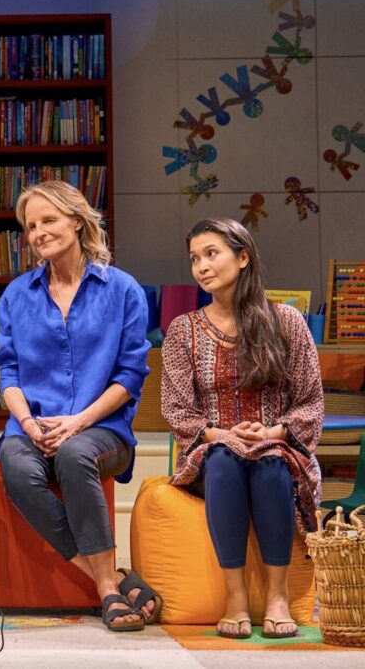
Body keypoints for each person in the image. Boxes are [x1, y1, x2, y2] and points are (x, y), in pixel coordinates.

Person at [0, 180, 158, 632]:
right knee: (17, 468)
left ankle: (106, 588)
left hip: (103, 428)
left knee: (74, 452)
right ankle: (113, 581)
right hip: (33, 425)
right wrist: (26, 422)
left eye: (49, 220)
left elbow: (130, 375)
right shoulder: (16, 295)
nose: (39, 232)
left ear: (77, 221)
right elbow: (7, 372)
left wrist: (78, 422)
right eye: (30, 226)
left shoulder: (122, 289)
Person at [162, 218, 323, 639]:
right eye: (195, 258)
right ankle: (235, 598)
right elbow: (178, 410)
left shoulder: (286, 322)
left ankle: (277, 596)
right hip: (210, 450)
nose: (201, 266)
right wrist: (223, 435)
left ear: (244, 256)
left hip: (277, 446)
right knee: (224, 463)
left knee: (269, 465)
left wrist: (275, 433)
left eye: (212, 253)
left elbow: (310, 401)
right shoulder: (184, 330)